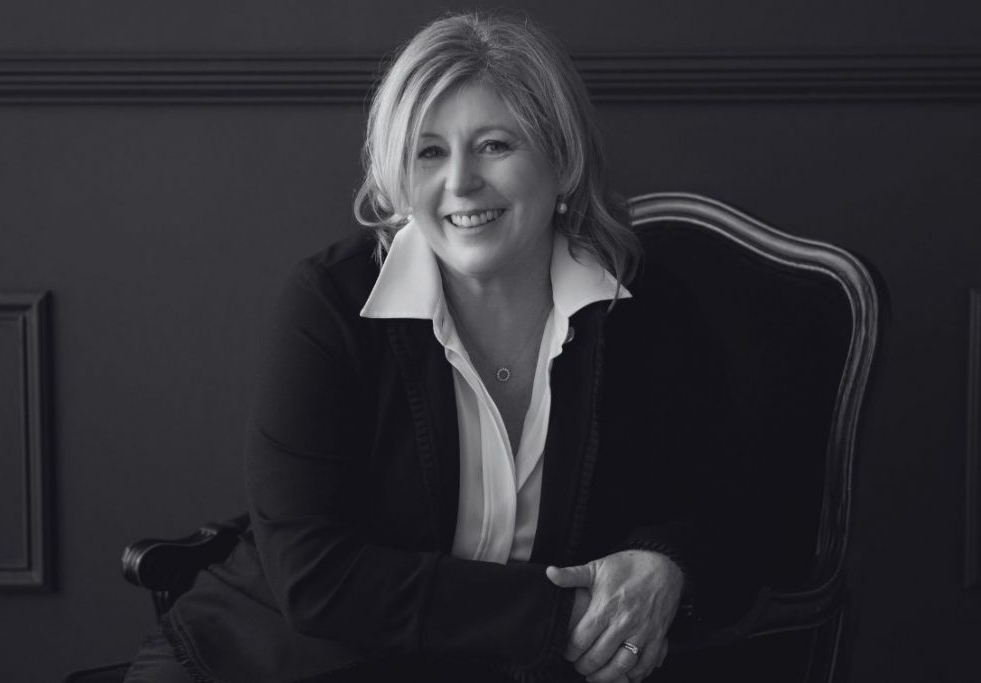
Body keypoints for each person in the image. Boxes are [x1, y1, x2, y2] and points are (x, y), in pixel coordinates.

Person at [126, 11, 745, 683]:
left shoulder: (646, 310)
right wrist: (562, 616)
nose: (461, 182)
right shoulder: (330, 302)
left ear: (561, 159)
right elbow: (315, 576)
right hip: (265, 661)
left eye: (495, 145)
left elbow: (726, 503)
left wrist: (666, 565)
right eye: (429, 152)